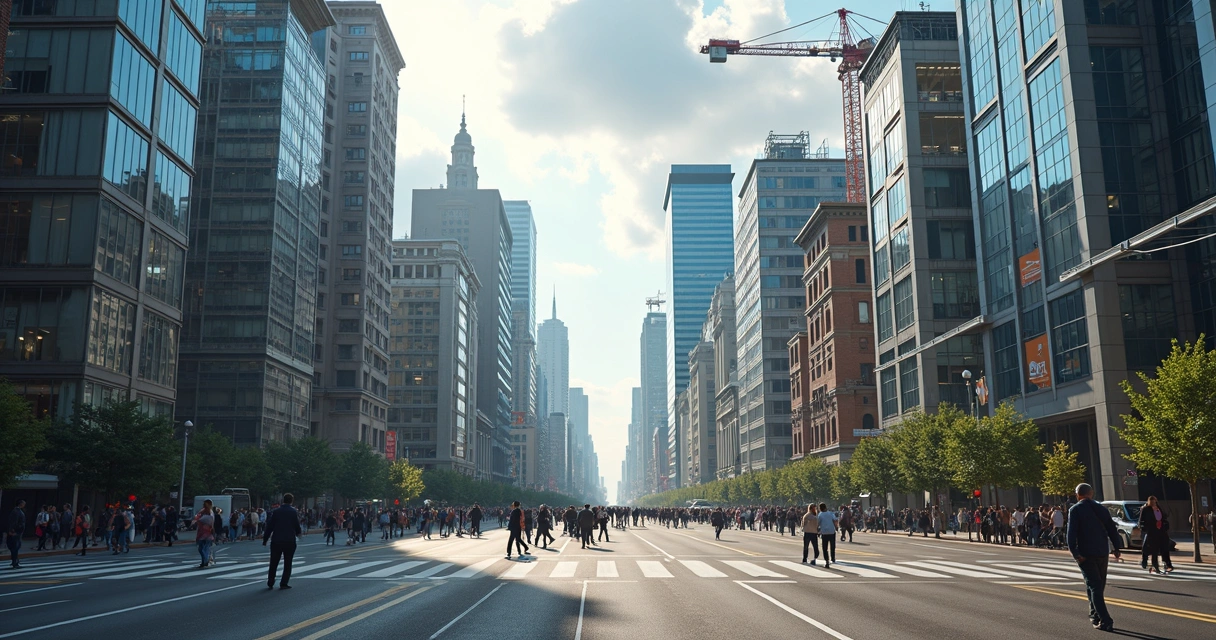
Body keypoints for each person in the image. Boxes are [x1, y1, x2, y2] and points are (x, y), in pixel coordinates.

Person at [1066, 483, 1122, 632]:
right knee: (1097, 585)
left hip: (1086, 553)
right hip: (1102, 551)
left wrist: (1075, 552)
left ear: (1078, 494)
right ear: (1091, 494)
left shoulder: (1075, 509)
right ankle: (1094, 615)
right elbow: (1111, 528)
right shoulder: (1101, 508)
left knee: (1094, 586)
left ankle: (1105, 619)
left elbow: (1071, 534)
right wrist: (1117, 547)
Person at [264, 492, 302, 589]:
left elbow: (270, 526)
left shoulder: (276, 511)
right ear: (291, 501)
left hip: (276, 539)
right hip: (289, 540)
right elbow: (296, 525)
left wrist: (265, 539)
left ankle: (270, 581)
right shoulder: (293, 512)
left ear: (283, 500)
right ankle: (284, 582)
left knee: (273, 562)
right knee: (288, 562)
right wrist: (299, 533)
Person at [1137, 496, 1173, 574]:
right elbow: (1142, 521)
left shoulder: (1159, 508)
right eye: (1152, 501)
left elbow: (1163, 517)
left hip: (1161, 531)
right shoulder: (1146, 509)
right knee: (1154, 549)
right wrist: (1145, 529)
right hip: (1152, 532)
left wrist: (1165, 525)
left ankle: (1168, 563)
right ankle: (1154, 564)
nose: (1154, 503)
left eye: (1155, 501)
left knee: (1165, 547)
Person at [192, 499, 216, 569]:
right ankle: (205, 561)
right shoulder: (210, 512)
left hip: (204, 532)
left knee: (202, 548)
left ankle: (204, 561)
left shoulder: (205, 512)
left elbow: (197, 518)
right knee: (204, 548)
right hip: (207, 532)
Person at [817, 502, 837, 569]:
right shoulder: (831, 513)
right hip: (832, 531)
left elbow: (818, 524)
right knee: (832, 546)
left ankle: (827, 560)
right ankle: (833, 558)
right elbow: (835, 520)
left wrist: (817, 530)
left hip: (824, 532)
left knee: (825, 548)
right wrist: (836, 527)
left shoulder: (820, 515)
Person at [6, 499, 26, 569]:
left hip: (18, 532)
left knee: (16, 547)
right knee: (15, 547)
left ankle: (15, 561)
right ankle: (15, 562)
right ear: (20, 504)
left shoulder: (18, 511)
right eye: (23, 503)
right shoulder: (16, 512)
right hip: (16, 532)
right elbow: (13, 522)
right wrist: (12, 531)